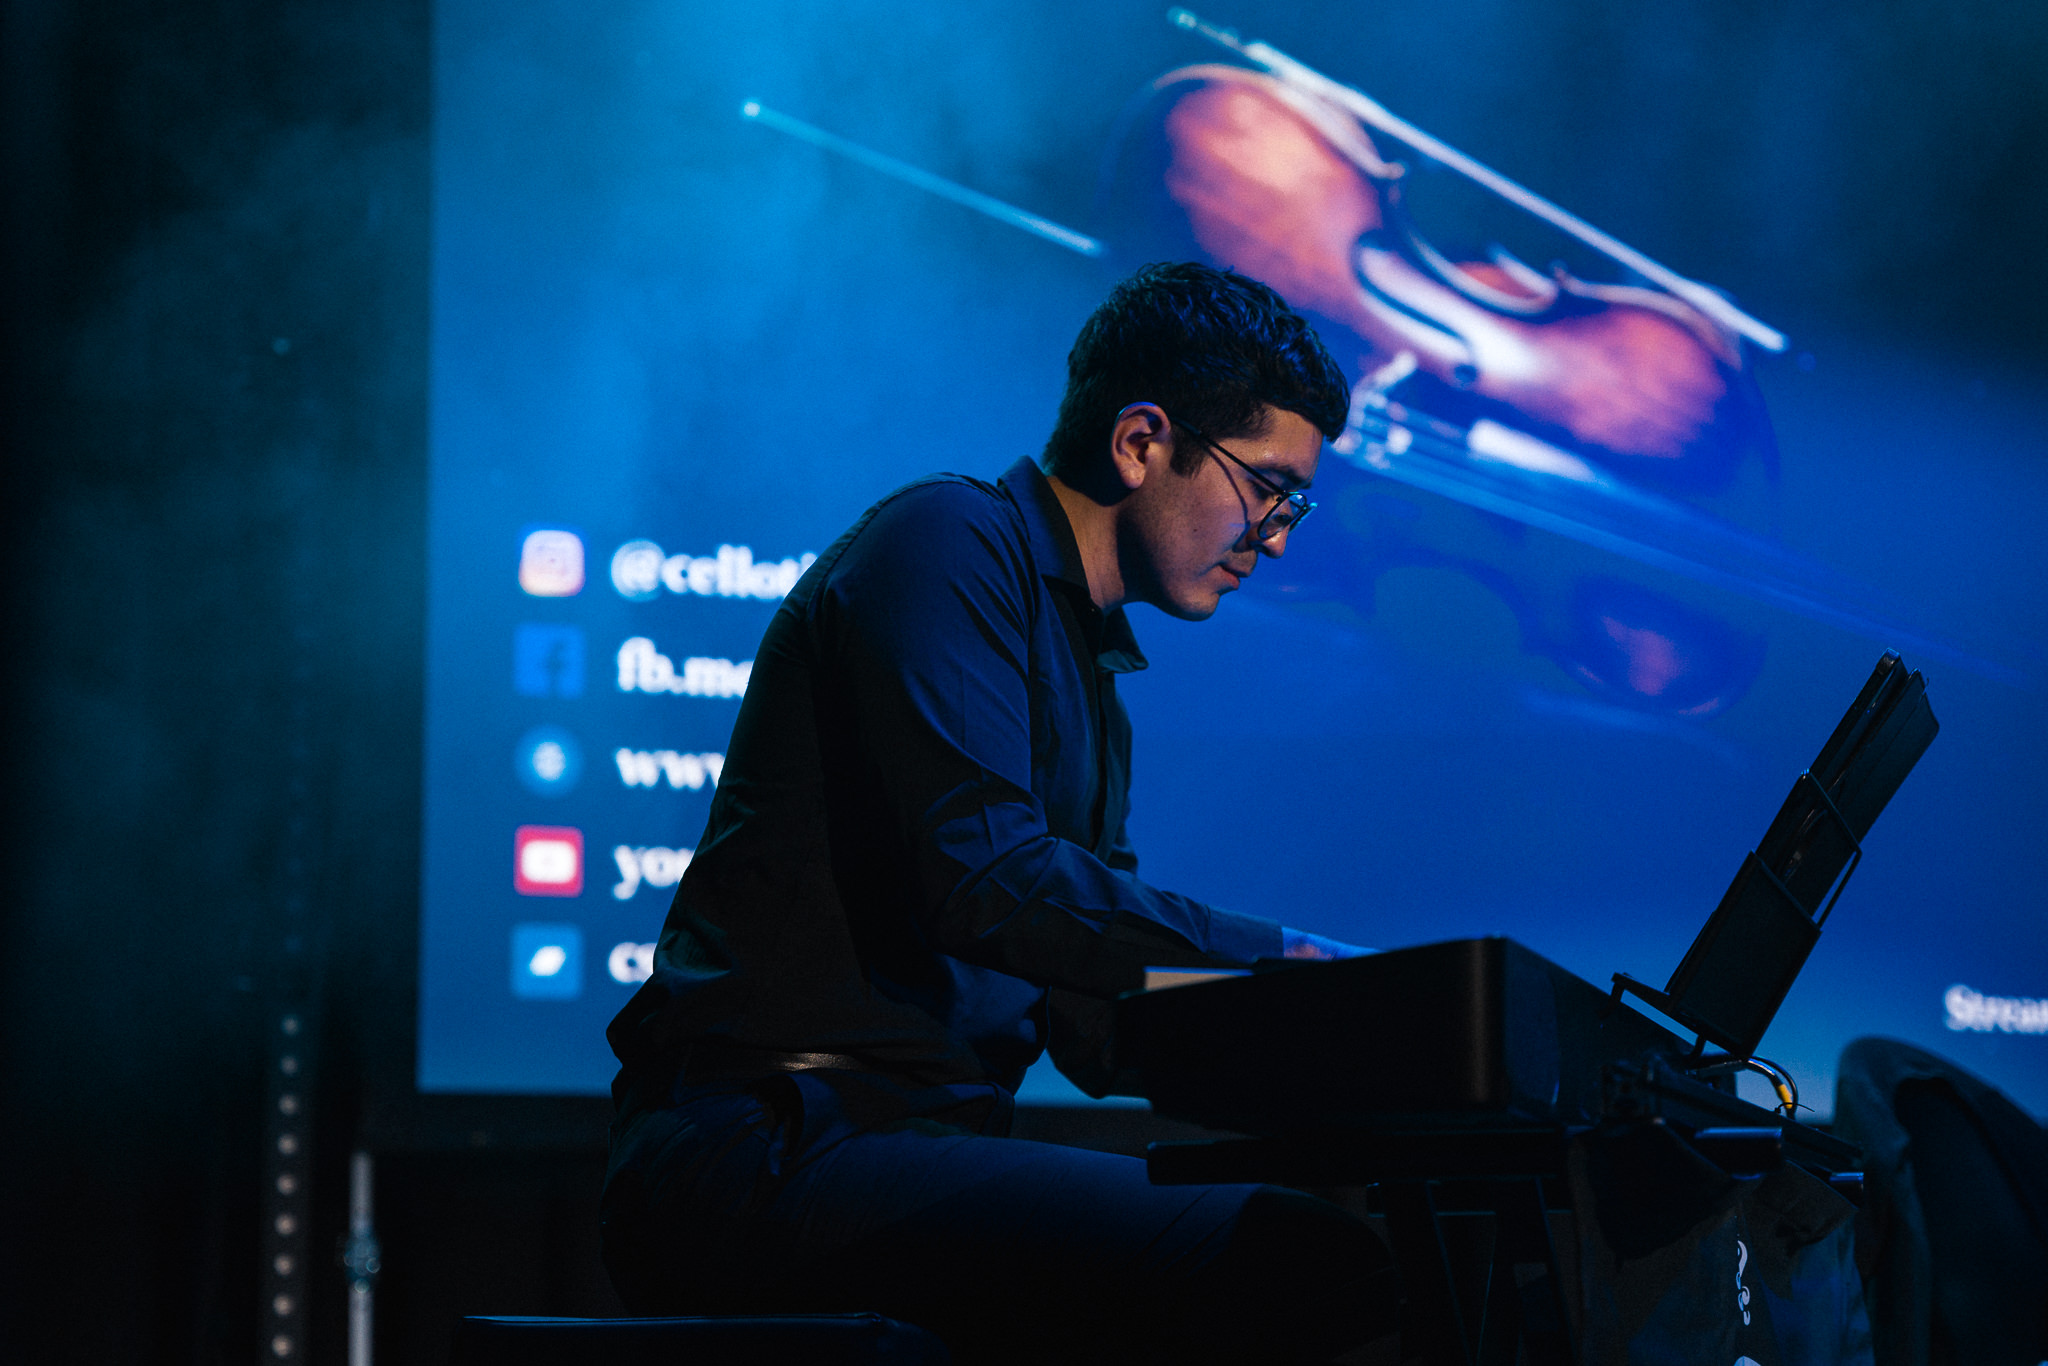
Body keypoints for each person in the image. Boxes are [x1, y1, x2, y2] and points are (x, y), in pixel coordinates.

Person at [600, 262, 1398, 1363]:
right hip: (761, 1149)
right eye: (1268, 487)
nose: (1278, 536)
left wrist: (1363, 1066)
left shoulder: (1094, 679)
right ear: (1140, 441)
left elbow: (1093, 1022)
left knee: (1354, 1241)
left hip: (891, 1153)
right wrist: (1286, 961)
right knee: (1292, 1261)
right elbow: (984, 878)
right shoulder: (945, 541)